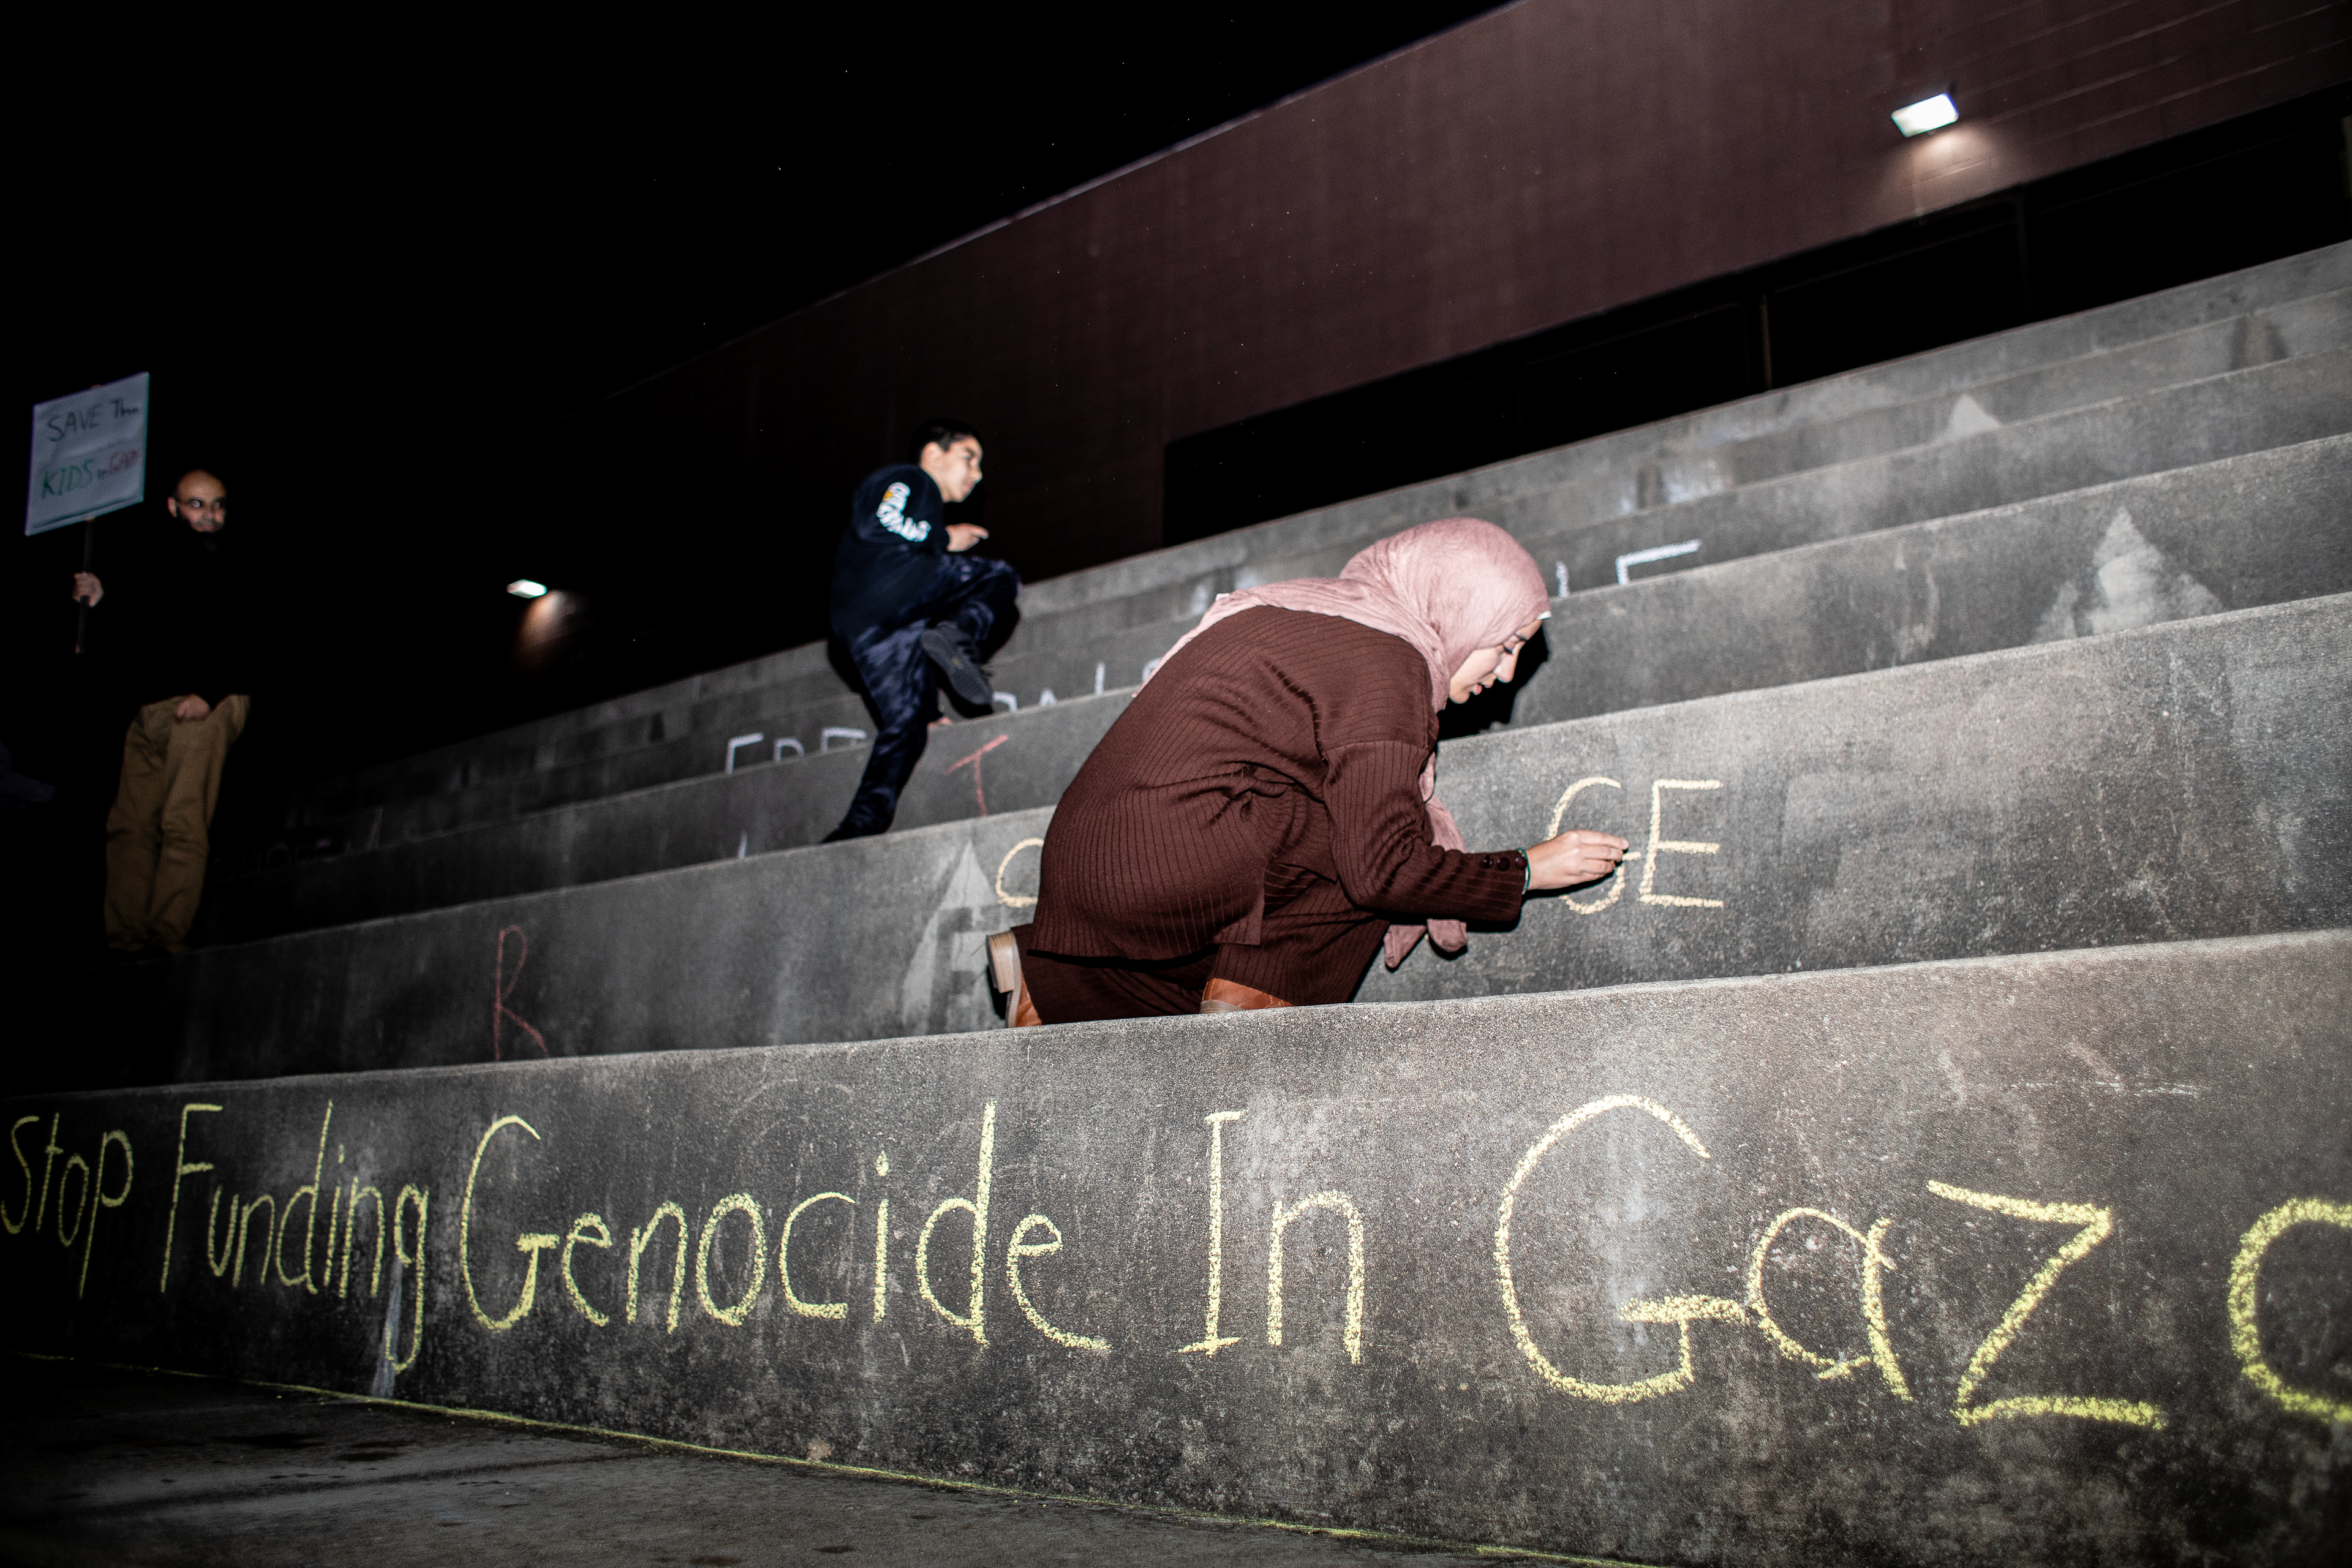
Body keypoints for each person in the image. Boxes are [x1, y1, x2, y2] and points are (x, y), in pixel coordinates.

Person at [986, 517, 1628, 1025]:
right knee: (1382, 853)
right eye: (1505, 643)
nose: (1507, 672)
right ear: (1457, 607)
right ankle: (1260, 1008)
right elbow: (1384, 869)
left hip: (1088, 858)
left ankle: (1052, 977)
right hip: (1164, 856)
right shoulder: (1389, 664)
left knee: (1332, 826)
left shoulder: (1322, 614)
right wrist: (1526, 869)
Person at [70, 468, 259, 955]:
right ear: (174, 507)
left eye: (218, 506)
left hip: (206, 702)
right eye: (198, 505)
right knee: (129, 825)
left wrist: (211, 691)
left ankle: (165, 938)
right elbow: (145, 624)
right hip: (151, 708)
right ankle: (125, 936)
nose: (210, 517)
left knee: (181, 820)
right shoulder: (162, 560)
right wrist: (100, 597)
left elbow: (255, 629)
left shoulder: (233, 558)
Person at [823, 420, 1022, 842]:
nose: (977, 474)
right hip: (892, 586)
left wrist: (930, 710)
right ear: (934, 453)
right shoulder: (909, 477)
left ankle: (856, 829)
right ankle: (959, 631)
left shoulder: (920, 493)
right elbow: (881, 520)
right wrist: (941, 536)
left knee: (907, 724)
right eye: (969, 458)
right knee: (999, 577)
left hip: (867, 628)